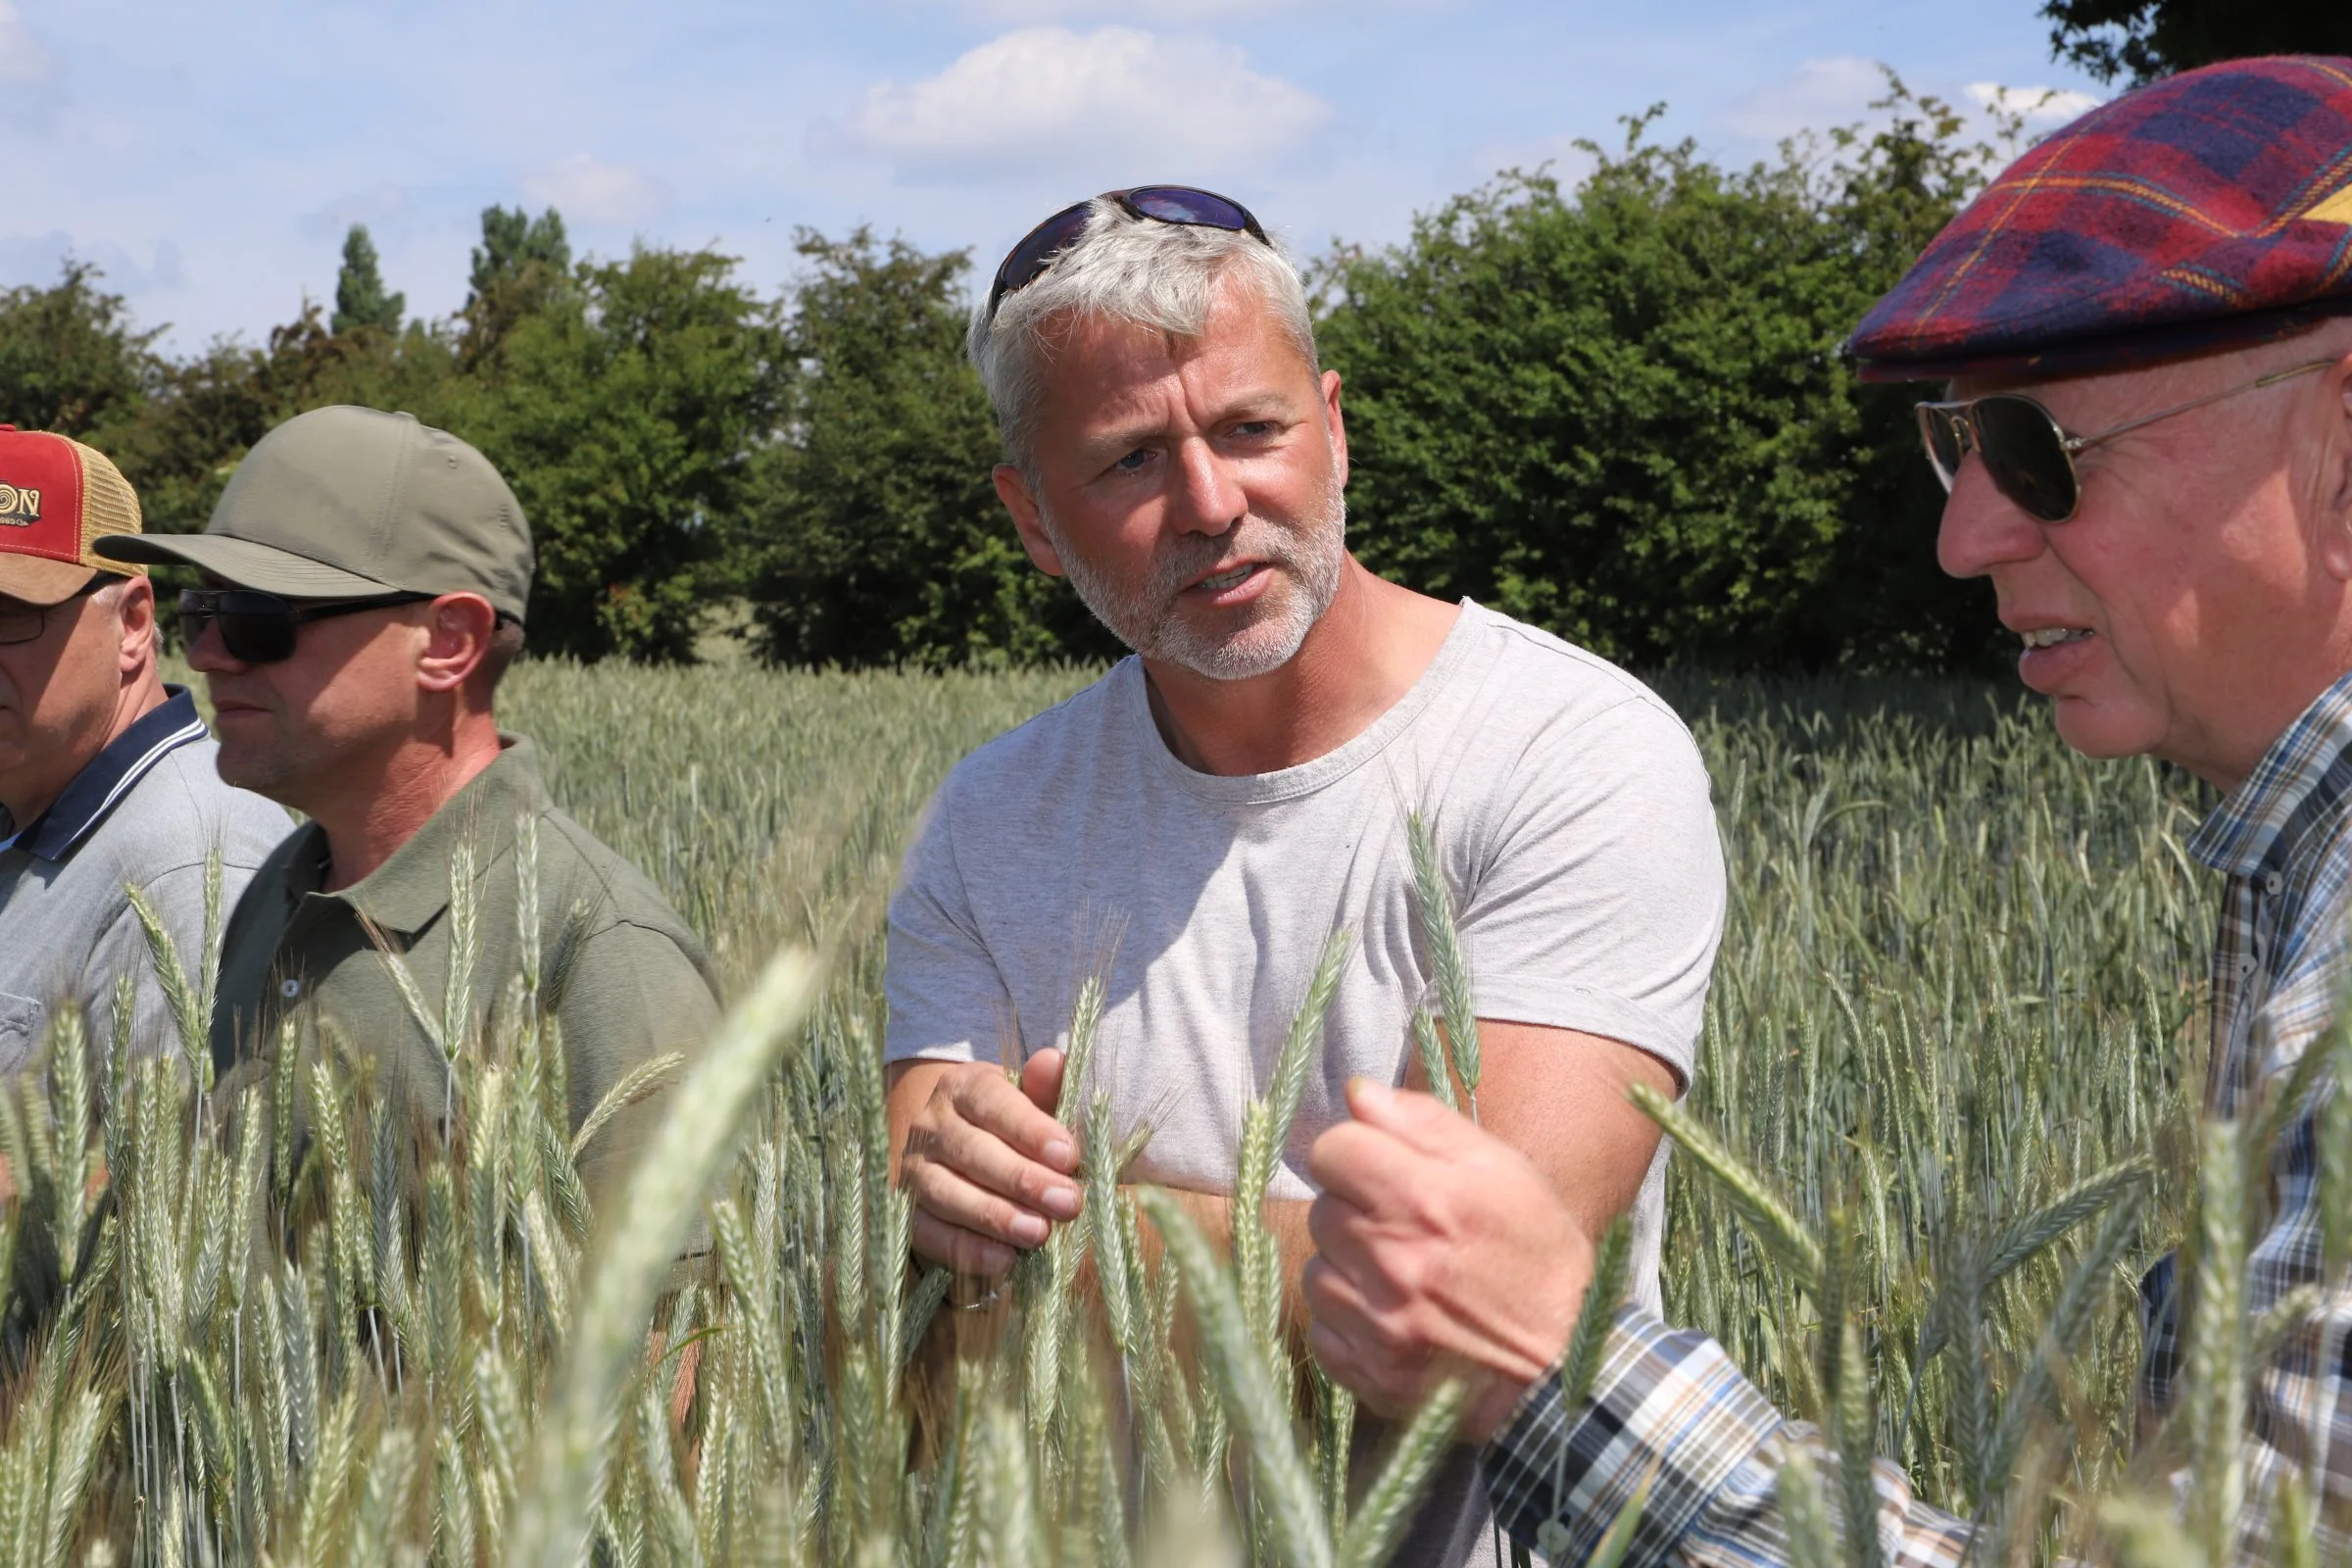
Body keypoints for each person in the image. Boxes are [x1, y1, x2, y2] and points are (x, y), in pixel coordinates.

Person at [1301, 55, 2352, 1566]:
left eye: (2037, 449)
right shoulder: (2293, 881)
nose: (1963, 533)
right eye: (1957, 437)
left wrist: (1555, 1365)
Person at [883, 187, 1727, 1561]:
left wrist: (1058, 1246)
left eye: (1252, 429)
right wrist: (959, 1217)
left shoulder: (1576, 754)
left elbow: (1450, 1314)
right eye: (1129, 462)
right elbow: (929, 1274)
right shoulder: (981, 824)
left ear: (1334, 427)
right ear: (1033, 519)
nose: (1212, 504)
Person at [95, 405, 721, 1192]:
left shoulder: (603, 960)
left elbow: (681, 1317)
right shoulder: (281, 890)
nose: (209, 653)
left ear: (449, 641)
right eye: (200, 612)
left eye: (257, 616)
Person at [0, 425, 287, 1069]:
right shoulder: (31, 803)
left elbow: (175, 1170)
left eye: (7, 615)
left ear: (131, 625)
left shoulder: (191, 865)